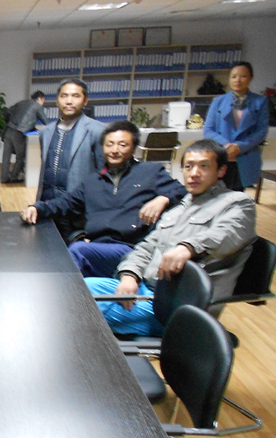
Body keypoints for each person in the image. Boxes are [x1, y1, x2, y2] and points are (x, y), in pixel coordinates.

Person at [85, 139, 257, 336]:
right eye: (189, 166)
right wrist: (130, 275)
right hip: (147, 291)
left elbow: (226, 233)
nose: (194, 173)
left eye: (204, 166)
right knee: (77, 289)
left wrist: (187, 247)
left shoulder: (238, 203)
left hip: (178, 309)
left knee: (79, 308)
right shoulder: (182, 206)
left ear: (221, 171)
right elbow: (146, 246)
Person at [21, 120, 187, 277]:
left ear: (133, 148)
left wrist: (163, 198)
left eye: (122, 145)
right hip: (98, 247)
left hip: (133, 250)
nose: (115, 150)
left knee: (78, 251)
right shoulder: (93, 181)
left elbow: (182, 191)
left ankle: (64, 294)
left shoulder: (150, 172)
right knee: (58, 256)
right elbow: (65, 203)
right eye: (109, 144)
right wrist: (37, 208)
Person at [35, 78, 105, 239]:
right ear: (57, 100)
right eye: (64, 96)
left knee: (73, 251)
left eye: (75, 96)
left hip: (78, 211)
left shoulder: (97, 131)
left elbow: (103, 174)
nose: (69, 101)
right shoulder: (46, 132)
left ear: (85, 100)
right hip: (47, 207)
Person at [204, 61, 270, 192]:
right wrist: (227, 146)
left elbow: (261, 130)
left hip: (245, 155)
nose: (237, 80)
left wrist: (239, 147)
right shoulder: (218, 101)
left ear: (250, 78)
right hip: (221, 155)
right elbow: (208, 130)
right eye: (233, 77)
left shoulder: (260, 101)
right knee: (216, 194)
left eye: (243, 76)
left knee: (237, 195)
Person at [1, 90, 50, 183]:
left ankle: (4, 179)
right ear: (40, 99)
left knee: (6, 156)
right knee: (20, 157)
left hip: (9, 130)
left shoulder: (21, 102)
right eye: (43, 100)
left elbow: (7, 112)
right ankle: (13, 177)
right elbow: (46, 122)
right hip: (19, 133)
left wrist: (9, 122)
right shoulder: (38, 106)